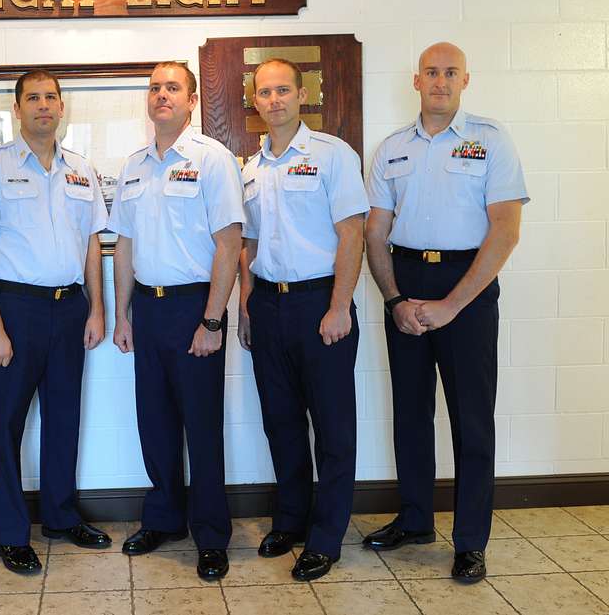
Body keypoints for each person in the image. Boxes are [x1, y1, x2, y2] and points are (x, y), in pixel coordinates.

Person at [363, 42, 528, 582]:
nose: (440, 81)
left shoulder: (490, 141)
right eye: (431, 72)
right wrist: (394, 301)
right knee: (410, 414)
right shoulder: (390, 148)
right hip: (405, 282)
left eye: (450, 72)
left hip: (469, 288)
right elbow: (376, 231)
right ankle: (414, 520)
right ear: (416, 81)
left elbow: (504, 230)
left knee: (471, 420)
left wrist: (454, 304)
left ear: (465, 79)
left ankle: (470, 540)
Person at [0, 70, 111, 574]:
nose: (43, 106)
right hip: (15, 310)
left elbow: (92, 243)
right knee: (5, 425)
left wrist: (97, 307)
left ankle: (60, 515)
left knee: (63, 417)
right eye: (33, 98)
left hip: (69, 307)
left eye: (51, 97)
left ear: (62, 107)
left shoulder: (81, 171)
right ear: (18, 108)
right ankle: (9, 532)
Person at [109, 61, 243, 581]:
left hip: (195, 307)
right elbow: (124, 244)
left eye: (172, 87)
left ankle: (211, 535)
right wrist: (122, 313)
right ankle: (165, 518)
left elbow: (228, 243)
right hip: (150, 307)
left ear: (190, 100)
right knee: (156, 422)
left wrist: (212, 321)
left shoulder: (212, 160)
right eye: (155, 87)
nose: (161, 95)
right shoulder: (134, 165)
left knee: (202, 428)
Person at [236, 58, 368, 581]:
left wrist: (339, 306)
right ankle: (291, 519)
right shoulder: (250, 169)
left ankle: (327, 535)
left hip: (320, 304)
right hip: (268, 305)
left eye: (283, 90)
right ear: (256, 102)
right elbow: (247, 245)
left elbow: (353, 234)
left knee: (333, 428)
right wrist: (246, 305)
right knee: (282, 423)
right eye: (265, 92)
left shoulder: (333, 156)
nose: (274, 100)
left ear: (302, 94)